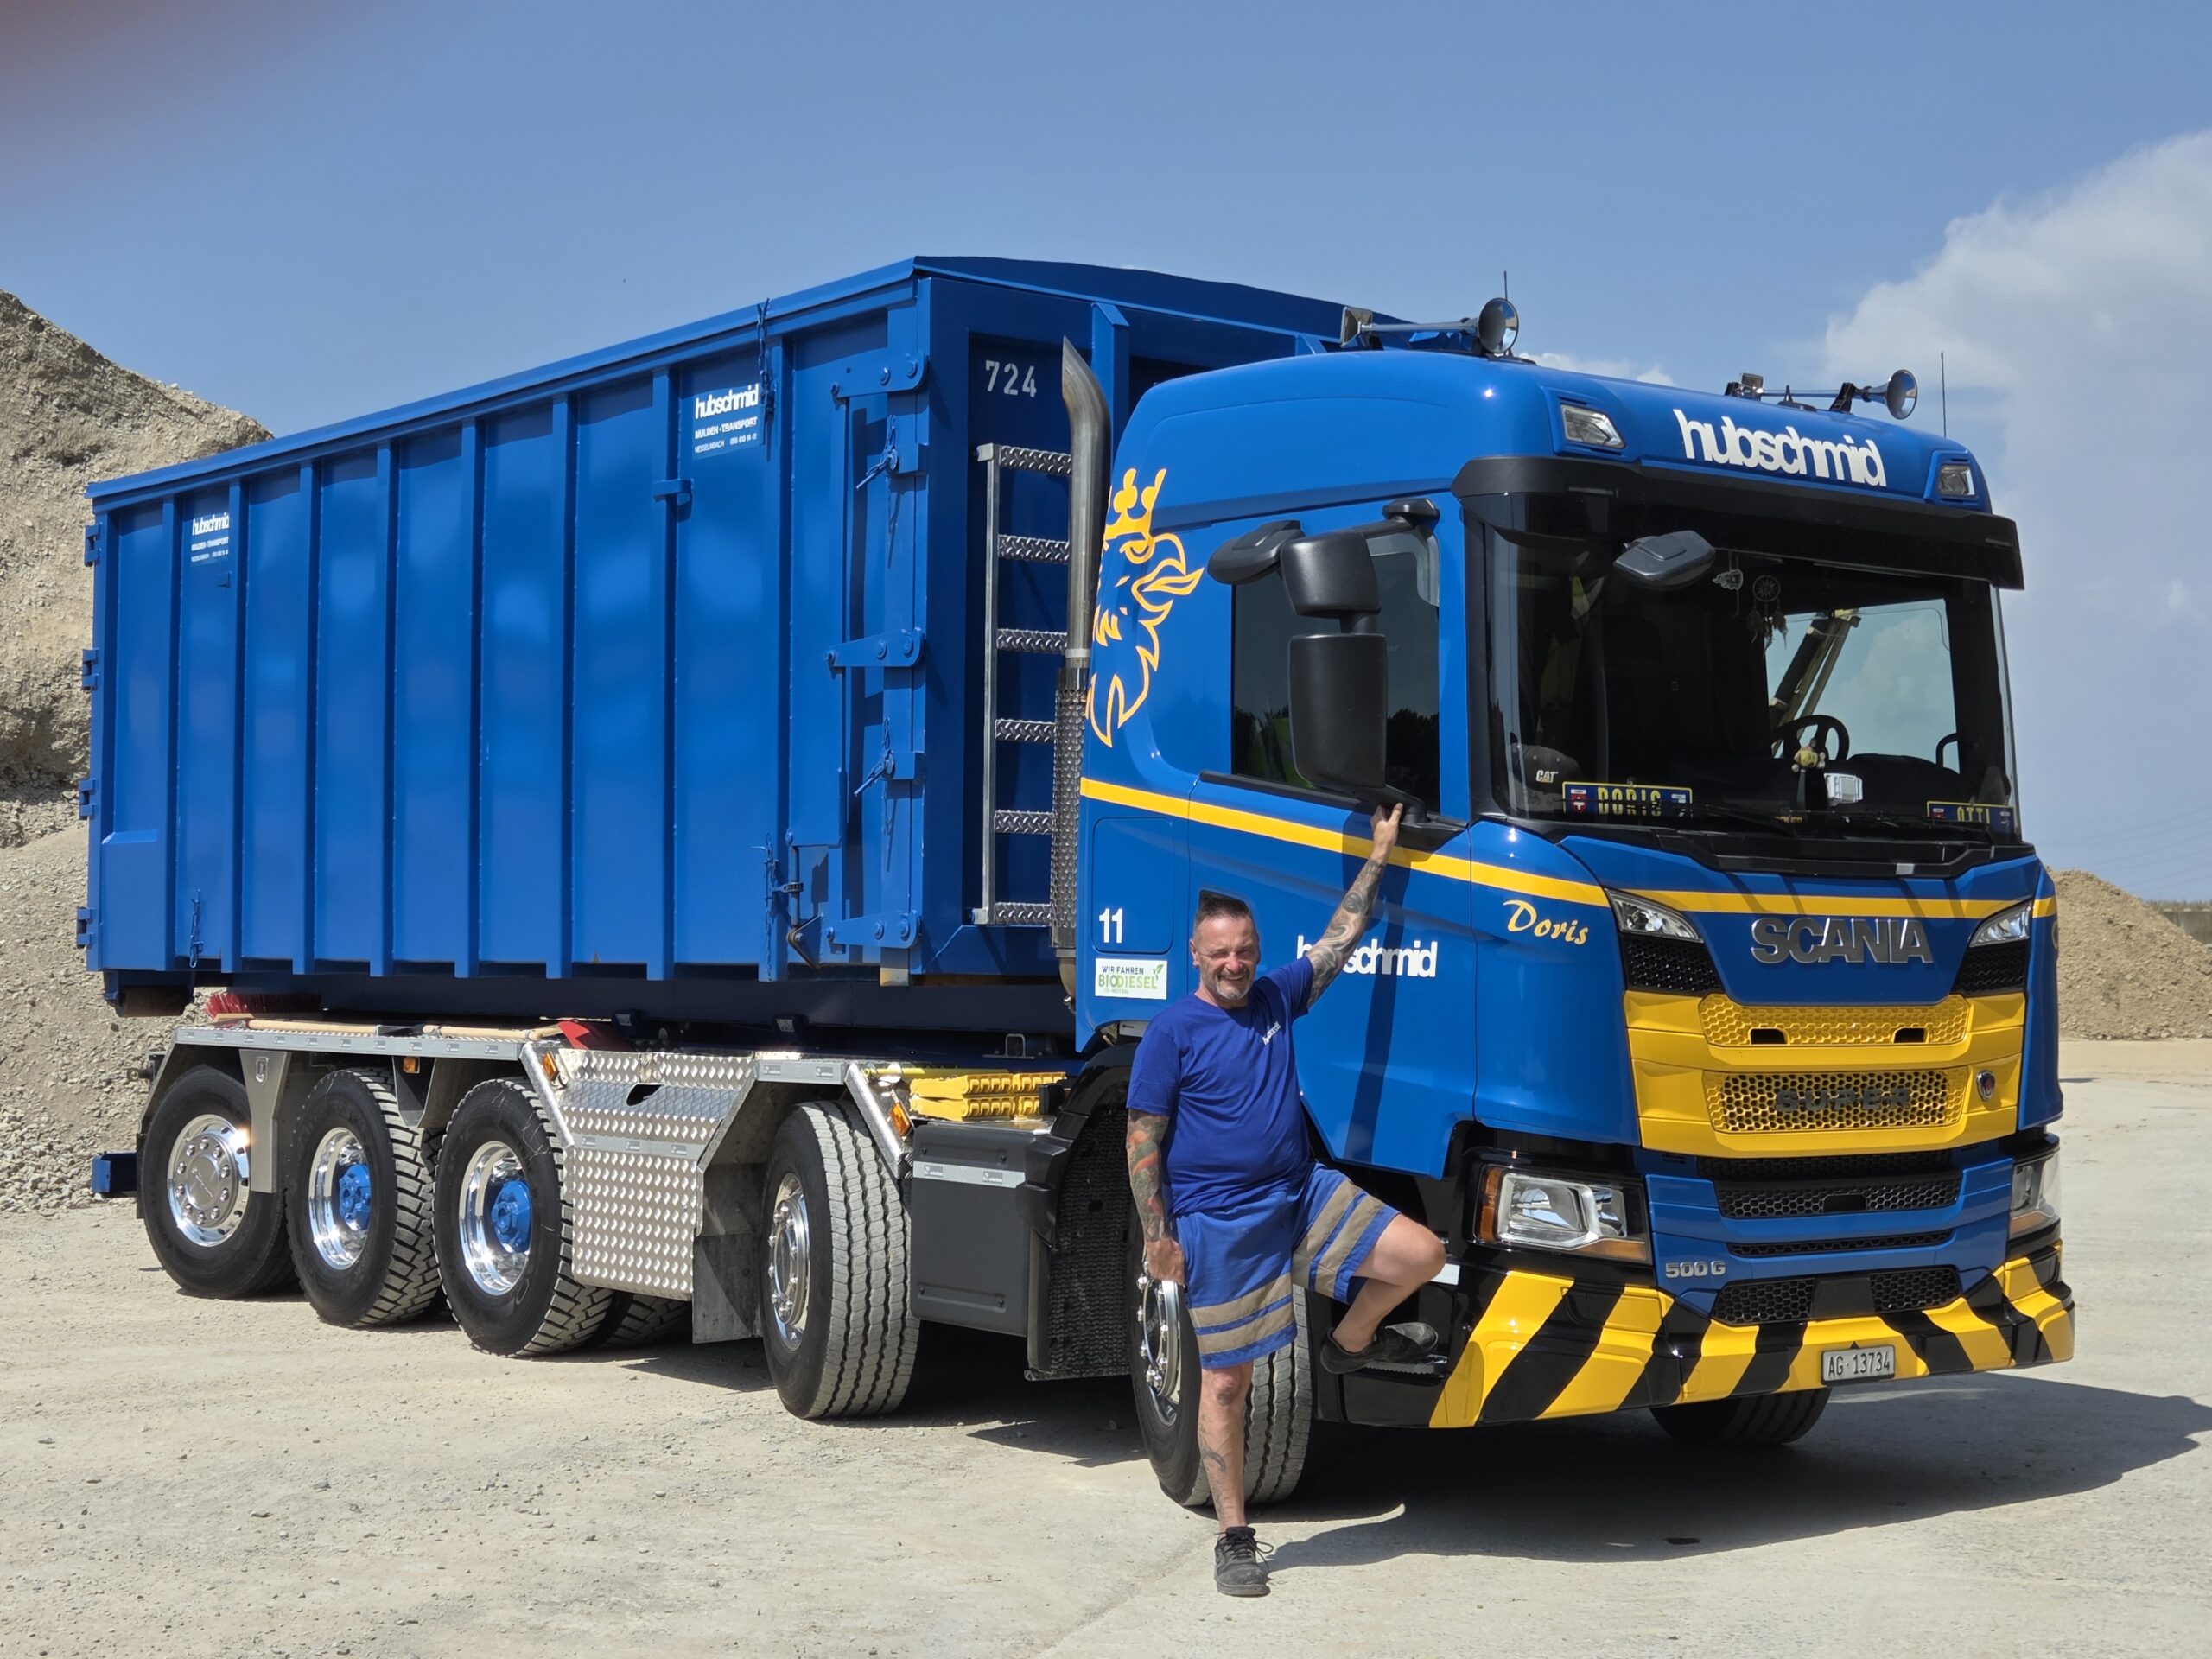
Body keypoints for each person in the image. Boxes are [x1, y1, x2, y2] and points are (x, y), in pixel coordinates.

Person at [1123, 803, 1447, 1598]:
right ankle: (1234, 1538)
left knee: (1423, 1254)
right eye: (1220, 954)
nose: (1234, 964)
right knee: (1226, 1385)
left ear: (1258, 949)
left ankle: (1351, 1341)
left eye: (1245, 950)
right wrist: (1159, 1236)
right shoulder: (1172, 1032)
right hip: (1219, 1222)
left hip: (1301, 1195)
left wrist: (1380, 852)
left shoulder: (1277, 997)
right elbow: (1142, 1140)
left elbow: (1341, 935)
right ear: (1195, 955)